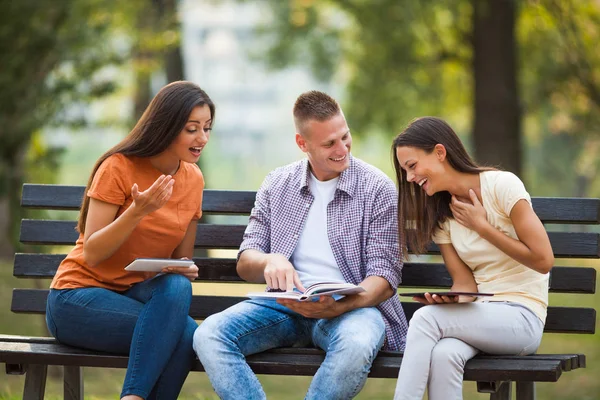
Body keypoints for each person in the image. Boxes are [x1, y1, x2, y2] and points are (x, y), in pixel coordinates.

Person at [193, 90, 408, 400]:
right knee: (209, 334)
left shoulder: (377, 189)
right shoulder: (277, 183)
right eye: (329, 144)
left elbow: (384, 277)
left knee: (357, 345)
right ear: (302, 144)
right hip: (284, 305)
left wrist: (339, 305)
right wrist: (271, 261)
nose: (342, 149)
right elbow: (246, 260)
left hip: (350, 310)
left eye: (344, 137)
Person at [46, 81, 215, 400]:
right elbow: (93, 252)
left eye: (207, 128)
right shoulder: (118, 167)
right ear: (167, 126)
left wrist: (182, 268)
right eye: (192, 129)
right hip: (77, 297)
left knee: (179, 287)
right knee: (185, 334)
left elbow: (179, 262)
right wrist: (137, 212)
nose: (202, 138)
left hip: (137, 295)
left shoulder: (193, 179)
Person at [391, 117, 554, 400]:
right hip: (482, 315)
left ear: (440, 152)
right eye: (405, 170)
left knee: (425, 320)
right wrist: (451, 301)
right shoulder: (443, 215)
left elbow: (543, 260)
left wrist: (483, 228)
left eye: (412, 166)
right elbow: (465, 284)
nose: (409, 178)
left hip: (523, 315)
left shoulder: (502, 186)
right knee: (443, 354)